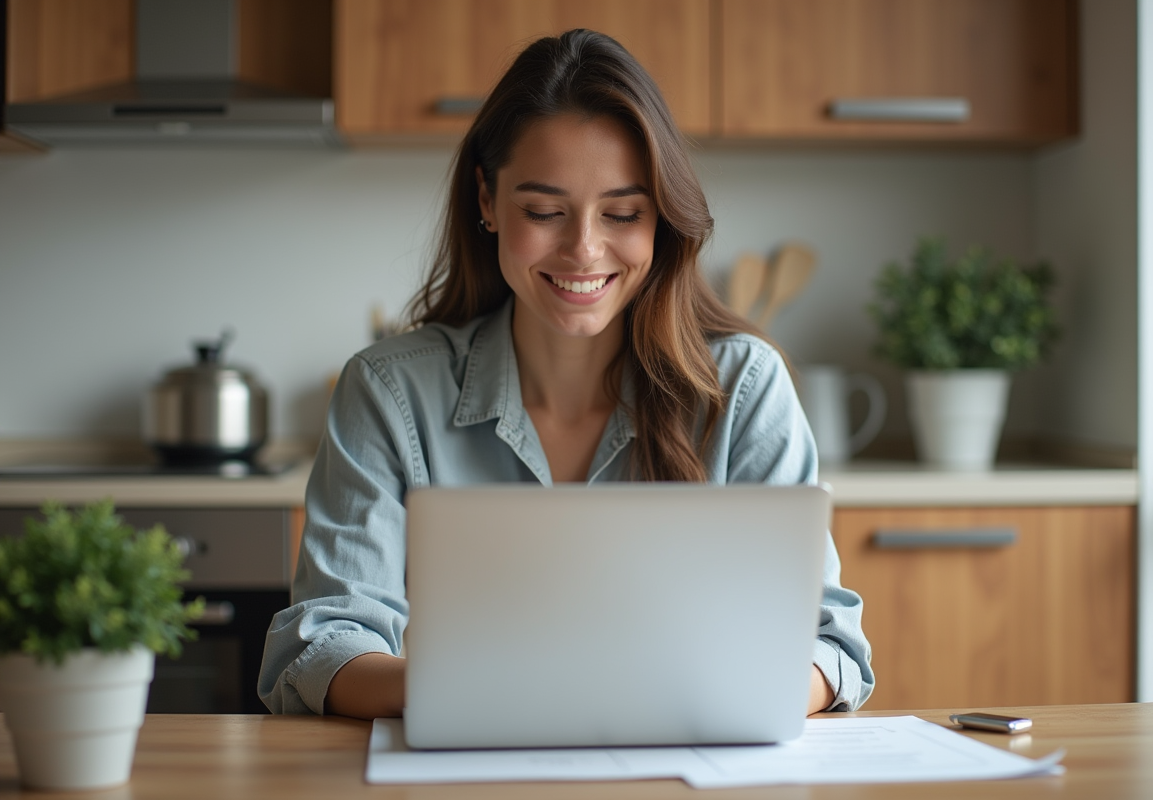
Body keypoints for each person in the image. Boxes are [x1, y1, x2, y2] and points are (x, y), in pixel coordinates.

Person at [259, 29, 873, 719]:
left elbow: (830, 646)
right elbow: (322, 647)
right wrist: (488, 694)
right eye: (545, 211)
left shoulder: (744, 385)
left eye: (622, 213)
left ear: (661, 217)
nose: (584, 249)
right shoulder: (388, 390)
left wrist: (732, 691)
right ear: (487, 201)